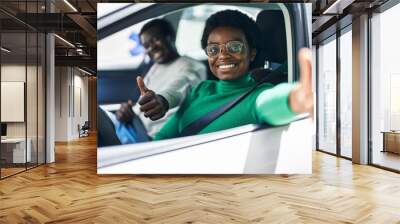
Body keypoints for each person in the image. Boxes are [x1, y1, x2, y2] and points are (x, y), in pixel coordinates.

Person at [153, 10, 313, 140]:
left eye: (234, 47)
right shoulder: (200, 90)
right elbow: (162, 138)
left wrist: (296, 98)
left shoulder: (258, 95)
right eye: (213, 49)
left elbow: (268, 104)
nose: (222, 56)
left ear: (252, 53)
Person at [106, 19, 207, 144]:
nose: (152, 47)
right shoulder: (156, 66)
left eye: (155, 40)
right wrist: (127, 111)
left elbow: (181, 86)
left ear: (170, 37)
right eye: (147, 45)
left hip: (150, 139)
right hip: (134, 126)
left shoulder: (192, 66)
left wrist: (162, 100)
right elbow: (143, 102)